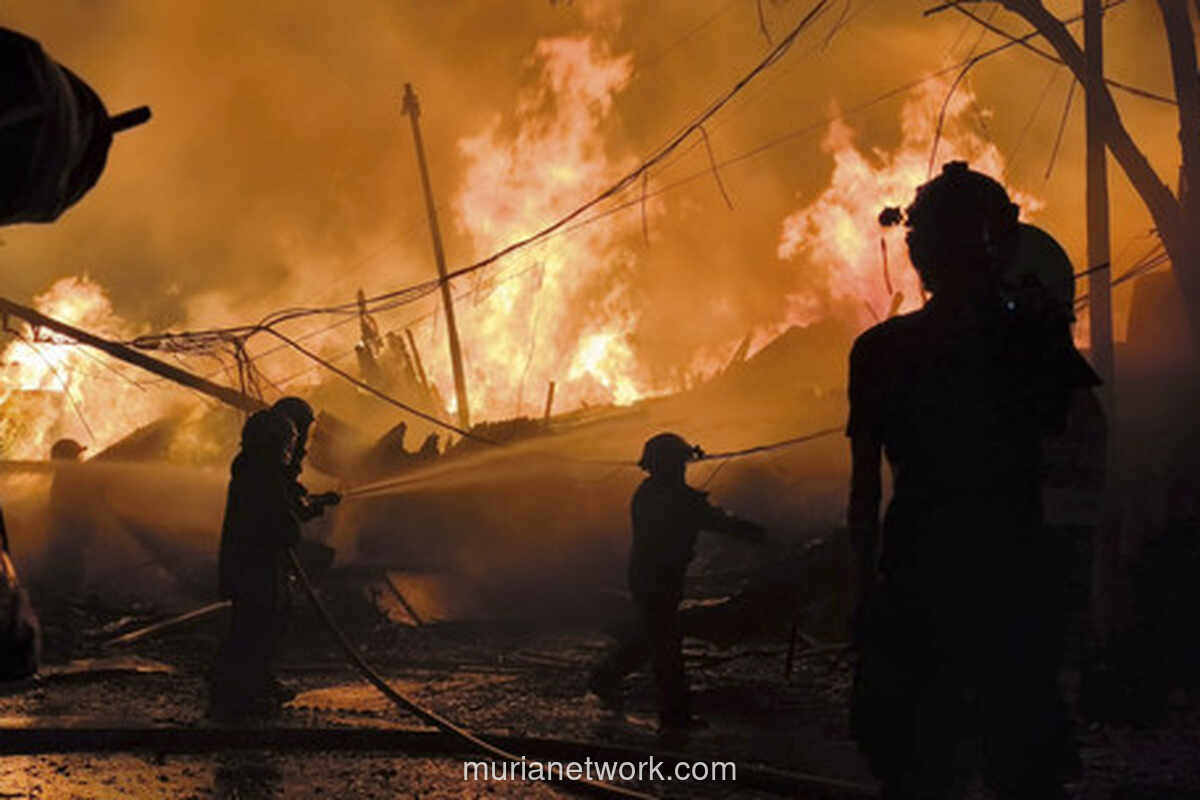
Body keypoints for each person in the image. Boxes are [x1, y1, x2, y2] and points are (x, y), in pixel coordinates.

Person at [848, 162, 1096, 799]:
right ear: (999, 245)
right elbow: (1083, 461)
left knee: (920, 769)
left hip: (917, 577)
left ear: (917, 253)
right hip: (1012, 581)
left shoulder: (878, 351)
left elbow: (864, 498)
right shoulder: (1032, 343)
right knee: (1020, 769)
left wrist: (863, 597)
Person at [588, 432, 767, 734]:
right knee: (666, 646)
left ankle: (606, 677)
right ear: (667, 466)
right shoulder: (667, 499)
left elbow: (699, 513)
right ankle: (674, 717)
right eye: (679, 463)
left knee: (655, 636)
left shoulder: (652, 494)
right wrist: (756, 533)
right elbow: (710, 519)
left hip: (655, 576)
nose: (683, 469)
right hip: (654, 579)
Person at [209, 409, 302, 716]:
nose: (291, 449)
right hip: (257, 566)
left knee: (254, 626)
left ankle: (249, 684)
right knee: (255, 628)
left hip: (250, 564)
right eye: (287, 442)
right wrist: (294, 523)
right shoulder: (264, 473)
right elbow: (281, 522)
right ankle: (235, 690)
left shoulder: (251, 468)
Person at [271, 396, 341, 522]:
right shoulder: (272, 466)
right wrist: (322, 500)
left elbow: (294, 498)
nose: (303, 449)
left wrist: (320, 499)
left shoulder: (262, 461)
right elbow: (296, 508)